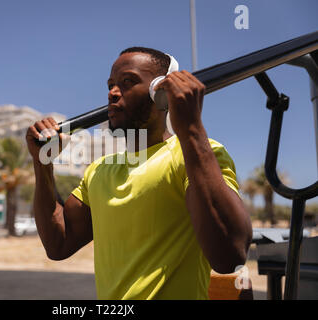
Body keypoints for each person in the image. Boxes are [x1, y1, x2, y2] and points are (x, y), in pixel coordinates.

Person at [25, 47, 252, 300]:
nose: (112, 93)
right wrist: (42, 164)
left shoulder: (194, 154)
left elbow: (229, 256)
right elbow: (58, 244)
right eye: (110, 84)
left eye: (127, 82)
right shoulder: (99, 170)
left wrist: (191, 129)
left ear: (161, 94)